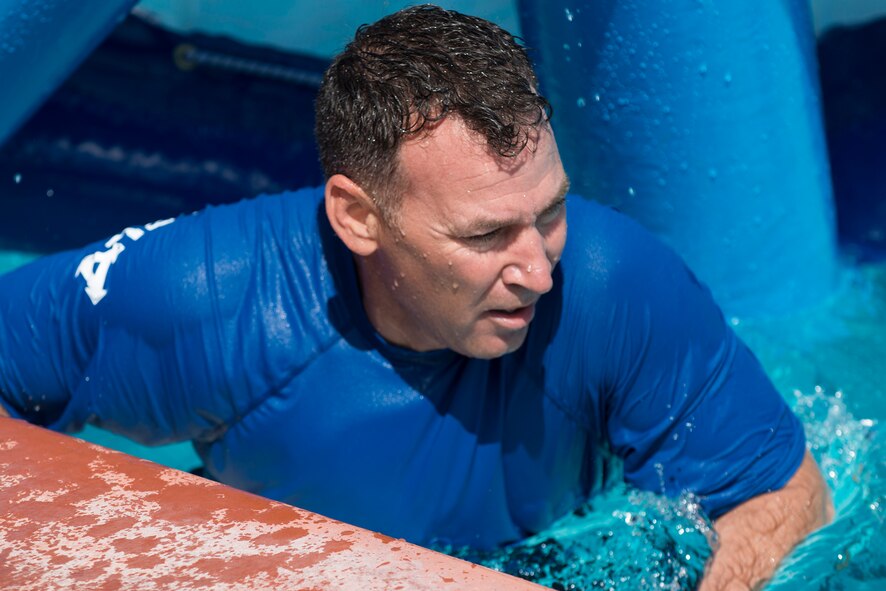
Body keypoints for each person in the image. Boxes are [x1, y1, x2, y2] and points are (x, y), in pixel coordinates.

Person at [0, 5, 831, 589]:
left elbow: (783, 492)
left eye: (548, 213)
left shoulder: (615, 281)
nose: (539, 270)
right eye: (485, 236)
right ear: (359, 217)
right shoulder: (205, 301)